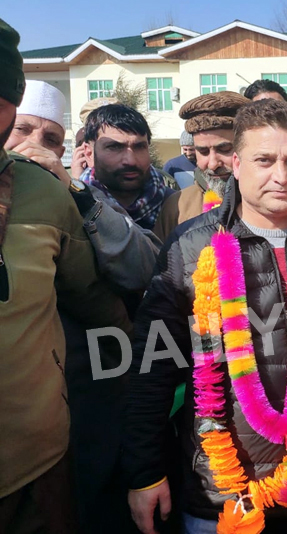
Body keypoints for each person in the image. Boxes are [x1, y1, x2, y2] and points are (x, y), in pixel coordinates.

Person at [123, 98, 287, 534]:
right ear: (236, 163)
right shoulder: (192, 245)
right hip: (220, 487)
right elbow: (152, 366)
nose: (281, 174)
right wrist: (144, 472)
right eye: (264, 160)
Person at [0, 18, 132, 533]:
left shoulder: (49, 194)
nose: (34, 142)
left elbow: (95, 296)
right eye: (27, 131)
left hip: (35, 466)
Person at [153, 91, 249, 240]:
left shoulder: (269, 201)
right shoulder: (177, 207)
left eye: (224, 150)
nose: (212, 164)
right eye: (203, 152)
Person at [80, 104, 174, 231]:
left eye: (139, 147)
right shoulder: (73, 209)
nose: (130, 161)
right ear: (89, 154)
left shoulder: (178, 207)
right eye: (114, 147)